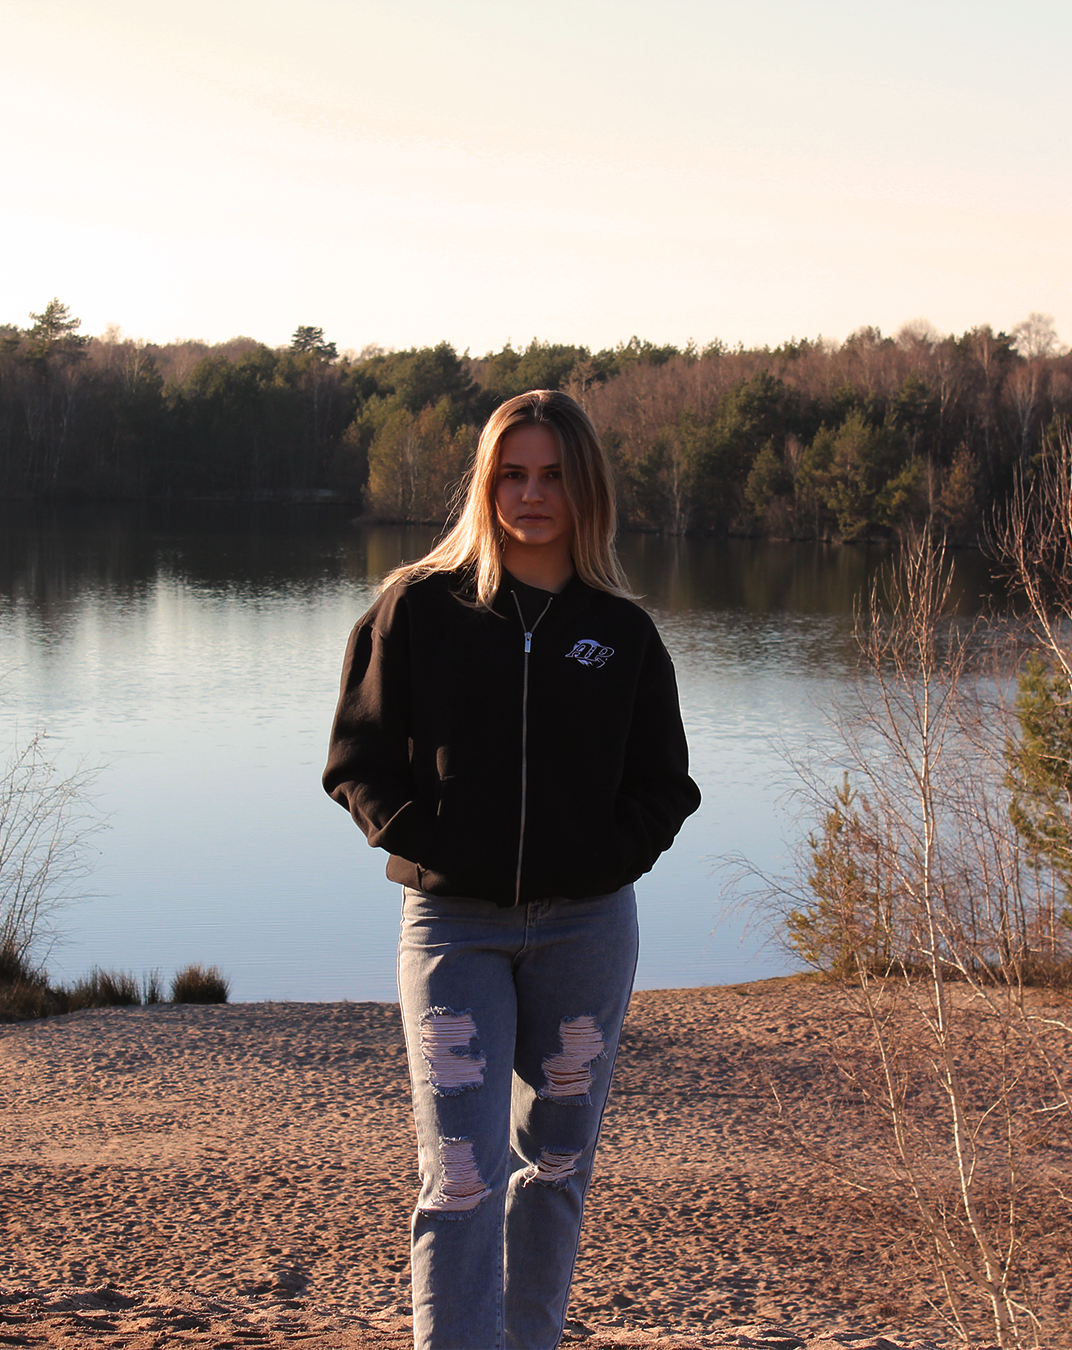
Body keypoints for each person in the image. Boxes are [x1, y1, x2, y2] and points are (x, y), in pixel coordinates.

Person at [323, 388, 700, 1350]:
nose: (532, 495)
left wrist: (603, 857)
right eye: (513, 474)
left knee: (557, 1168)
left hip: (585, 929)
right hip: (454, 928)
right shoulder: (419, 608)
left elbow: (666, 784)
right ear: (486, 485)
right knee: (459, 1172)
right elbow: (357, 762)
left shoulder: (621, 633)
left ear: (586, 490)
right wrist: (430, 844)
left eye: (553, 476)